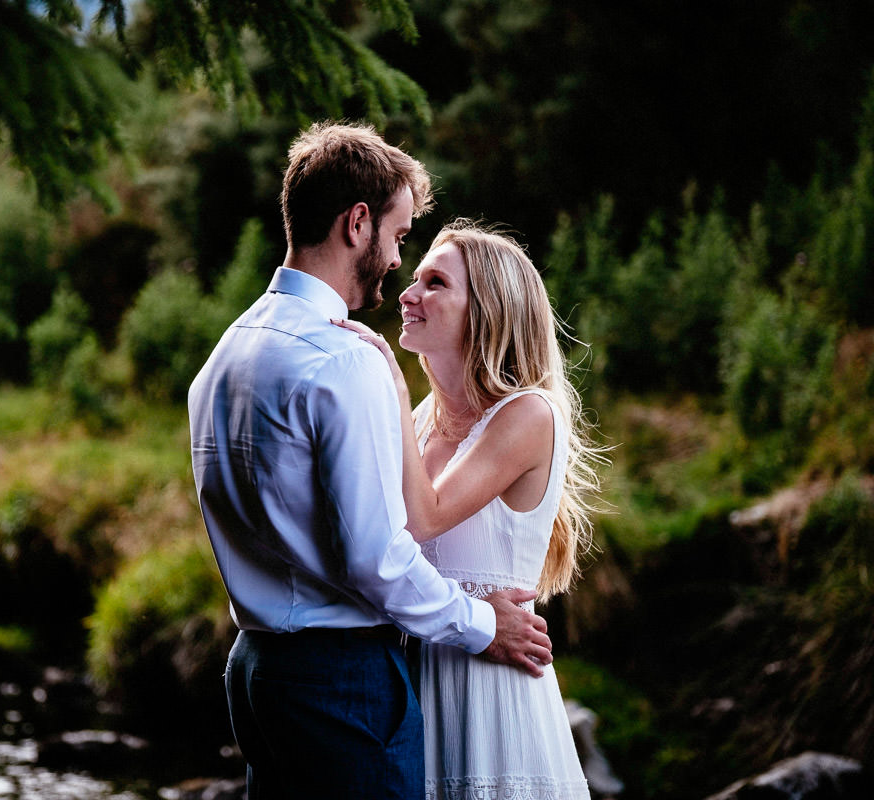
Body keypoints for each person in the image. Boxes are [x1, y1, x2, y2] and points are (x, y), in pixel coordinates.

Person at [188, 122, 553, 800]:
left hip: (256, 670)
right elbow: (376, 558)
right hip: (340, 682)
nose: (394, 259)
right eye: (399, 236)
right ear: (358, 223)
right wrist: (482, 626)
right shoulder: (344, 360)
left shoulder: (225, 355)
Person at [335, 219, 605, 800]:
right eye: (416, 279)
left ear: (488, 310)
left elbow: (426, 517)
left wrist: (393, 388)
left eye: (435, 283)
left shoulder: (529, 414)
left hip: (489, 691)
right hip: (411, 683)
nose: (407, 293)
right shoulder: (424, 421)